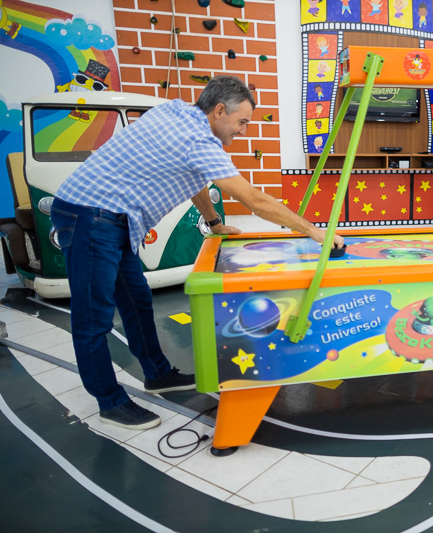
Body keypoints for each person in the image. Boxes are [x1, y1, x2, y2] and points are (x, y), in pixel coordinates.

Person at [51, 76, 343, 430]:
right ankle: (109, 402)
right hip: (90, 214)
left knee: (136, 299)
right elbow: (254, 200)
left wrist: (214, 221)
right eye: (241, 122)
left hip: (111, 217)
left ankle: (158, 374)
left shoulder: (177, 111)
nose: (243, 130)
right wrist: (312, 230)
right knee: (93, 316)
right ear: (219, 111)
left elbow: (194, 178)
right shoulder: (198, 140)